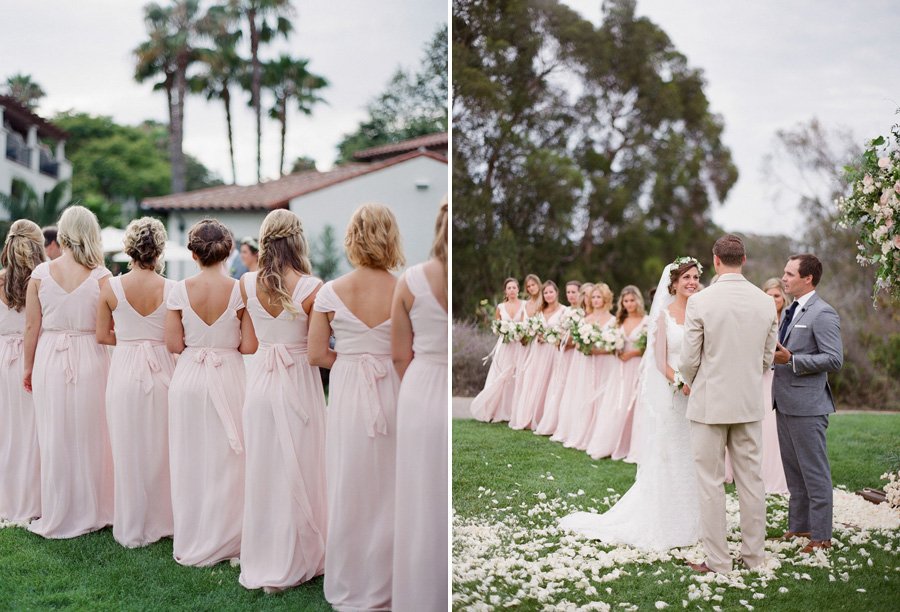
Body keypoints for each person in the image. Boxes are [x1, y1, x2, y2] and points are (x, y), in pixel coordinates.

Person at [559, 259, 702, 551]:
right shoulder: (662, 316)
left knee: (692, 456)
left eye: (696, 277)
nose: (692, 281)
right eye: (686, 277)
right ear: (673, 283)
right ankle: (665, 519)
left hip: (700, 396)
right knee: (670, 454)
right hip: (674, 395)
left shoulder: (702, 312)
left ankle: (693, 520)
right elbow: (660, 361)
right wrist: (681, 382)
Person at [310, 203, 404, 611]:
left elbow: (316, 353)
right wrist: (377, 363)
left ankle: (348, 576)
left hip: (348, 393)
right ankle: (388, 577)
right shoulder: (404, 289)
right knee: (389, 485)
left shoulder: (331, 291)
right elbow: (406, 354)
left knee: (347, 480)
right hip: (392, 391)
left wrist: (349, 364)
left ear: (353, 238)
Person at [238, 209, 327, 592]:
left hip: (259, 383)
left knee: (264, 470)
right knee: (302, 467)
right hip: (298, 386)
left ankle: (264, 553)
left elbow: (251, 344)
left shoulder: (244, 283)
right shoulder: (312, 288)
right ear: (297, 241)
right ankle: (296, 553)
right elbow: (315, 350)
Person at [679, 235, 778, 574]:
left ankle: (718, 561)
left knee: (710, 482)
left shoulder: (700, 301)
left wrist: (691, 380)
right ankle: (753, 558)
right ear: (744, 259)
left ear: (716, 260)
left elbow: (689, 359)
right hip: (749, 404)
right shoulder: (766, 302)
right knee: (751, 482)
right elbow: (766, 359)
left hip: (709, 403)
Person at [165, 218, 253, 566]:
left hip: (188, 378)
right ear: (228, 250)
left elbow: (173, 343)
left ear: (192, 251)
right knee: (228, 460)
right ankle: (227, 536)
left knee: (190, 458)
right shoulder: (239, 290)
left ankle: (194, 534)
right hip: (228, 374)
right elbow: (249, 346)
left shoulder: (178, 290)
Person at [24, 206, 114, 538]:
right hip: (90, 355)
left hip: (49, 358)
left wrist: (28, 366)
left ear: (62, 231)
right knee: (92, 434)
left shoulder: (41, 274)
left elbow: (32, 325)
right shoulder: (102, 276)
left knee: (55, 435)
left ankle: (59, 509)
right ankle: (91, 508)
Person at [96, 217, 175, 548]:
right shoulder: (172, 289)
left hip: (125, 371)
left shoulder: (110, 288)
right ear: (158, 249)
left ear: (130, 247)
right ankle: (163, 521)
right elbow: (175, 338)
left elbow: (102, 335)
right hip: (163, 370)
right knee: (161, 448)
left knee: (126, 448)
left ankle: (132, 524)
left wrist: (130, 341)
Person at [390, 200, 448, 612]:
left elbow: (398, 355)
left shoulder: (411, 281)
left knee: (417, 492)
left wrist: (411, 388)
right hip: (439, 384)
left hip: (421, 384)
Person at [772, 253, 843, 554]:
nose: (784, 278)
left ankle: (822, 535)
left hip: (809, 406)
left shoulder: (823, 313)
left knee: (814, 472)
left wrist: (793, 360)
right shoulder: (790, 310)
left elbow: (834, 359)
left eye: (789, 274)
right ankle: (799, 526)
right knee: (794, 471)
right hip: (784, 402)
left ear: (807, 278)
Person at [724, 278, 790, 494]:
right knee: (759, 426)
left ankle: (776, 475)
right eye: (769, 296)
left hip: (781, 377)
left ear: (783, 298)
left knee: (774, 428)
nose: (773, 300)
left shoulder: (789, 320)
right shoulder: (758, 317)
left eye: (777, 296)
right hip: (759, 377)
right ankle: (753, 473)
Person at [0, 220, 45, 523]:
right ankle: (33, 500)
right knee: (32, 432)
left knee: (6, 429)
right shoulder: (43, 280)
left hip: (3, 358)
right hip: (34, 356)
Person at [509, 281, 563, 430]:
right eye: (546, 293)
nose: (548, 295)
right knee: (534, 381)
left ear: (556, 293)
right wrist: (534, 335)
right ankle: (532, 416)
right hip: (538, 352)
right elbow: (533, 329)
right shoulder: (539, 312)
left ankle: (548, 419)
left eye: (551, 292)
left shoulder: (563, 311)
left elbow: (564, 333)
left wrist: (550, 338)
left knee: (551, 383)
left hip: (554, 353)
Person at [470, 277, 525, 423]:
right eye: (509, 288)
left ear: (518, 289)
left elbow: (526, 326)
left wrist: (518, 333)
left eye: (514, 287)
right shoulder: (500, 307)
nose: (512, 290)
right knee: (501, 374)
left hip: (519, 346)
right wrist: (503, 331)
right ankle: (496, 409)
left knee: (517, 375)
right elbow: (496, 327)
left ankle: (515, 411)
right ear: (505, 291)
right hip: (505, 346)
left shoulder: (524, 306)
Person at [581, 283, 625, 456]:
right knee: (588, 393)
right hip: (590, 364)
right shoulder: (586, 320)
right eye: (593, 297)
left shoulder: (614, 321)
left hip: (607, 363)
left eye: (599, 297)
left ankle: (602, 433)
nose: (596, 300)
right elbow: (580, 344)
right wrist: (585, 348)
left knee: (605, 396)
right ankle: (587, 430)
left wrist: (599, 350)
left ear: (605, 299)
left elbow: (616, 346)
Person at [610, 285, 649, 462]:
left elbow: (649, 346)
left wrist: (632, 353)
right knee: (619, 400)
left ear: (638, 301)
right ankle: (616, 439)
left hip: (637, 365)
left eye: (632, 300)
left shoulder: (646, 320)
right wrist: (615, 349)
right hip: (619, 368)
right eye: (626, 301)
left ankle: (634, 443)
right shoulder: (619, 321)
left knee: (635, 402)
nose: (629, 304)